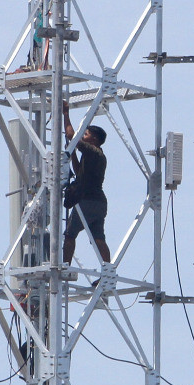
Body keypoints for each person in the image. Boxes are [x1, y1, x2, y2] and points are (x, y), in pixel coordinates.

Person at [62, 101, 111, 265]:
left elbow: (71, 136)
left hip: (87, 201)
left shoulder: (92, 151)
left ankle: (65, 266)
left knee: (70, 234)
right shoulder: (97, 155)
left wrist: (66, 113)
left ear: (94, 139)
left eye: (86, 134)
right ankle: (107, 269)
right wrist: (73, 154)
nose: (83, 136)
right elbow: (78, 171)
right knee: (97, 237)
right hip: (99, 203)